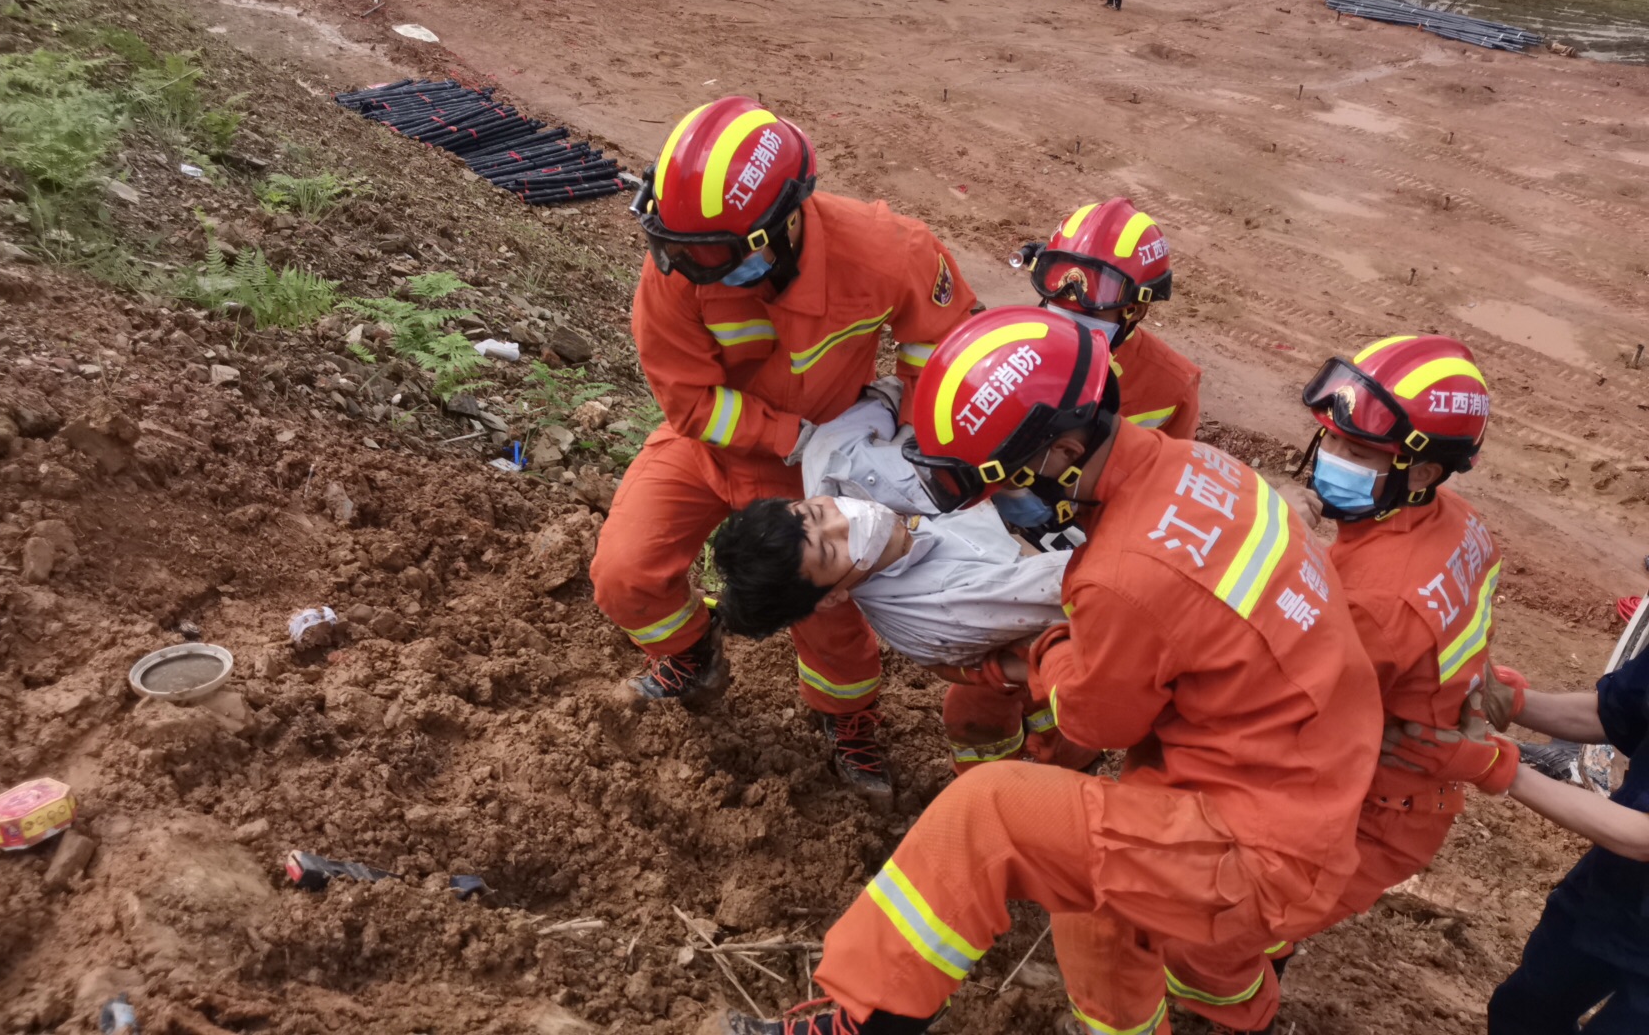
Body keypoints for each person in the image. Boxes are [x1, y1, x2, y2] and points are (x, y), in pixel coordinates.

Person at [721, 307, 1382, 1035]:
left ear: (1063, 450)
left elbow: (1096, 721)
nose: (990, 503)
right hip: (1301, 786)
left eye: (991, 480)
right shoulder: (1201, 466)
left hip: (1250, 839)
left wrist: (1044, 654)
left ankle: (857, 1023)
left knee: (990, 812)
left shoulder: (1121, 576)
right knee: (1089, 885)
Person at [590, 96, 977, 804]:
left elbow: (946, 348)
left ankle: (847, 718)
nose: (686, 264)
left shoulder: (887, 249)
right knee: (624, 573)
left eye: (710, 252)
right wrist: (791, 437)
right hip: (710, 448)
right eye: (673, 244)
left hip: (825, 468)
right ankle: (691, 655)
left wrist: (904, 435)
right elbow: (689, 400)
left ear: (784, 223)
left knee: (829, 617)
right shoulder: (677, 272)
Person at [1161, 334, 1512, 1031]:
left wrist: (1265, 547)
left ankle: (1234, 1014)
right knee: (1265, 922)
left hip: (1372, 809)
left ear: (1421, 471)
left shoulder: (1377, 604)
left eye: (1358, 451)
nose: (1331, 459)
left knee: (1209, 936)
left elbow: (1266, 701)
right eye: (1331, 439)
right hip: (1394, 777)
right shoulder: (1459, 525)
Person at [712, 386, 1095, 773]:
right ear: (832, 596)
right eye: (831, 550)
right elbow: (1091, 581)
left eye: (816, 513)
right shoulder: (950, 606)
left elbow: (901, 390)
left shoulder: (831, 456)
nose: (844, 520)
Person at [1479, 652, 1649, 1033]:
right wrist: (1509, 700)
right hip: (1617, 888)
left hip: (1631, 858)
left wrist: (1499, 767)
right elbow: (1610, 713)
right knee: (1523, 1012)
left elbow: (1643, 836)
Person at [1016, 199, 1200, 440]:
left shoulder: (1172, 388)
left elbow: (1171, 462)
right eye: (1058, 297)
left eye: (1091, 310)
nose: (1066, 323)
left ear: (1137, 310)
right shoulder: (1002, 347)